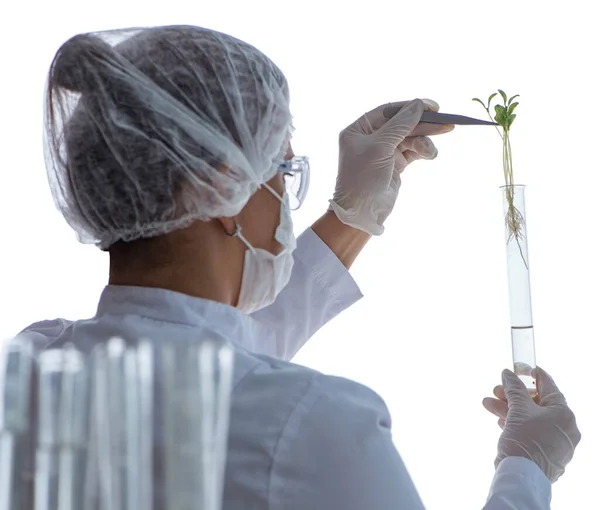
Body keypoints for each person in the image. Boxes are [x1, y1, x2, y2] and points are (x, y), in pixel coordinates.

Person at [17, 25, 580, 509]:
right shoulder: (317, 424)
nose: (288, 195)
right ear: (220, 185)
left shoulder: (33, 369)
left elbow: (204, 361)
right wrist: (526, 469)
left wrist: (353, 217)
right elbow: (240, 393)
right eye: (283, 169)